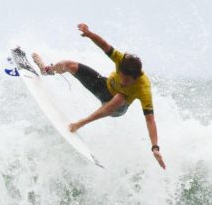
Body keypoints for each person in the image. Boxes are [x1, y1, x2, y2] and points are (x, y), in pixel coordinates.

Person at [31, 23, 166, 169]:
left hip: (118, 108)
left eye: (128, 81)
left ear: (136, 77)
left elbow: (150, 120)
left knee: (120, 97)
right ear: (119, 69)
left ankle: (80, 123)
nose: (124, 82)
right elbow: (104, 46)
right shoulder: (120, 59)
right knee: (68, 64)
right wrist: (89, 34)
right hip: (103, 87)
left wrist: (155, 148)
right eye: (122, 77)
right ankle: (46, 70)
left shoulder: (143, 87)